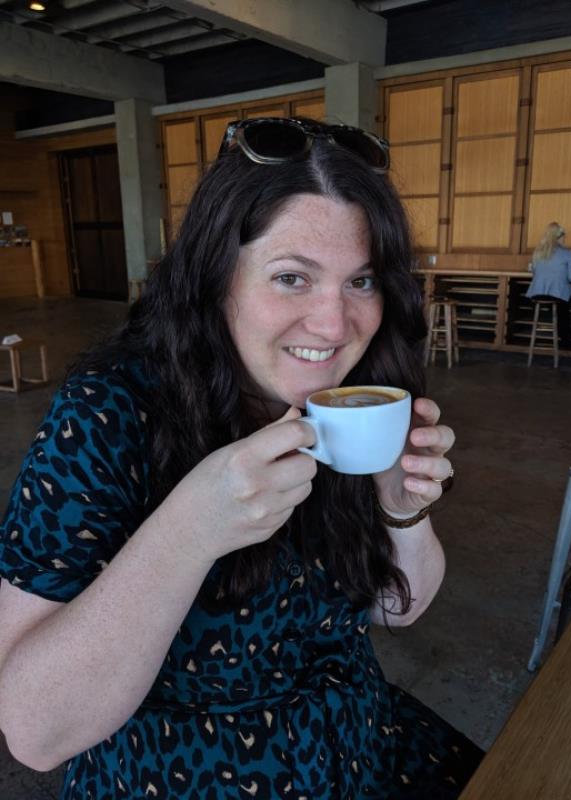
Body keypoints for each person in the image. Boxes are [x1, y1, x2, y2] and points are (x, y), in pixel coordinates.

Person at [0, 117, 483, 799]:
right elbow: (35, 733)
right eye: (292, 277)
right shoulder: (107, 413)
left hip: (361, 749)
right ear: (214, 277)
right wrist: (190, 530)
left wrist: (404, 513)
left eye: (362, 281)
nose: (334, 325)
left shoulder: (357, 398)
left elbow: (395, 613)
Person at [525, 222, 571, 349]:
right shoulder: (567, 253)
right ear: (559, 237)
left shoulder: (537, 252)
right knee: (564, 307)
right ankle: (566, 341)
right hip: (557, 296)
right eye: (564, 237)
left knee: (557, 304)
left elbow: (534, 273)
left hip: (537, 293)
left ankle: (548, 330)